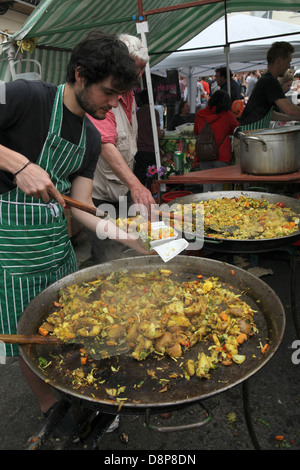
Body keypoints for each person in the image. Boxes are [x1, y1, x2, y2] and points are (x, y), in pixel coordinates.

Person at [0, 31, 151, 419]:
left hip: (55, 246)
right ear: (81, 75)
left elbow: (81, 208)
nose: (115, 103)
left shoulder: (88, 136)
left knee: (71, 325)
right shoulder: (24, 95)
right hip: (10, 249)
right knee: (28, 335)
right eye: (109, 92)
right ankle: (51, 407)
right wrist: (17, 164)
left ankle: (76, 392)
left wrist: (131, 239)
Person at [87, 33, 155, 264]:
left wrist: (133, 187)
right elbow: (105, 143)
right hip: (101, 192)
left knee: (128, 242)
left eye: (141, 69)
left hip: (121, 187)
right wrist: (136, 185)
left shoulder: (129, 93)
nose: (137, 75)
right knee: (106, 251)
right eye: (135, 68)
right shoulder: (103, 96)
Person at [240, 42, 300, 130]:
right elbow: (288, 109)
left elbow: (271, 115)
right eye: (288, 62)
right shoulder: (269, 81)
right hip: (250, 134)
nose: (289, 66)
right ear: (279, 60)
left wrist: (295, 118)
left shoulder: (266, 79)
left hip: (251, 133)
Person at [193, 90, 239, 192]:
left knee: (206, 187)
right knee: (219, 189)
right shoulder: (228, 115)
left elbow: (196, 132)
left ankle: (204, 207)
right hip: (221, 155)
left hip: (204, 154)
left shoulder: (200, 114)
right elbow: (236, 130)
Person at [134, 89, 164, 186]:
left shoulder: (137, 114)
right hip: (151, 151)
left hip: (138, 152)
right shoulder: (153, 112)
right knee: (152, 182)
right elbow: (158, 134)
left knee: (140, 182)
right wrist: (163, 133)